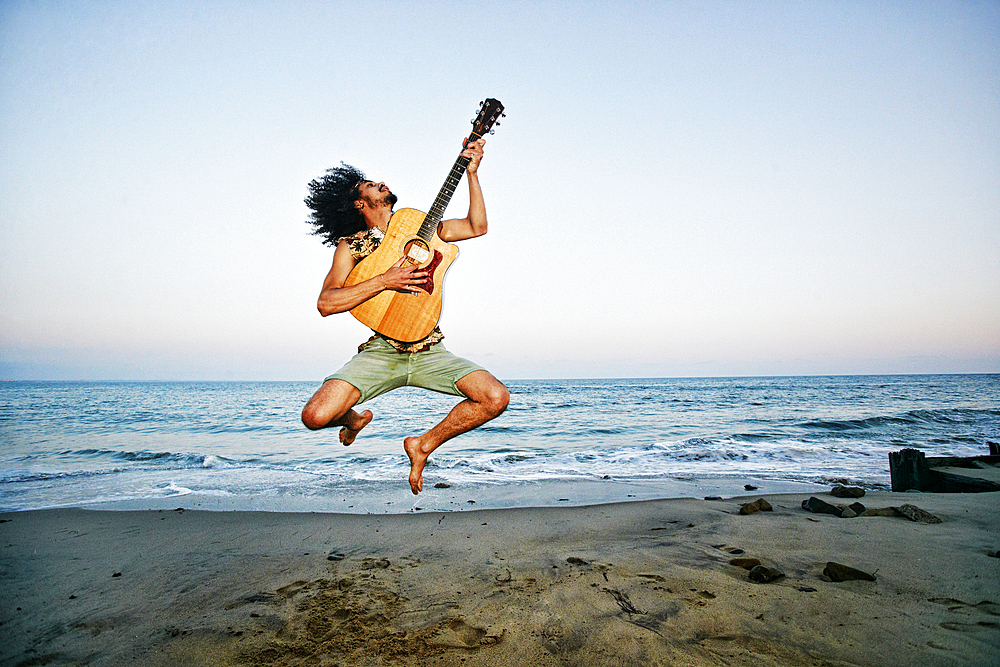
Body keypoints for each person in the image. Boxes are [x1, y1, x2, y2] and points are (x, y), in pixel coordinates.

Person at [300, 138, 509, 495]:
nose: (380, 182)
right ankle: (354, 420)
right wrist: (385, 279)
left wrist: (472, 173)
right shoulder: (351, 246)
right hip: (382, 349)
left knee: (495, 397)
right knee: (315, 416)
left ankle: (422, 445)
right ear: (359, 202)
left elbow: (476, 227)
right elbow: (326, 303)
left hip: (429, 348)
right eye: (369, 184)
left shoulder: (419, 225)